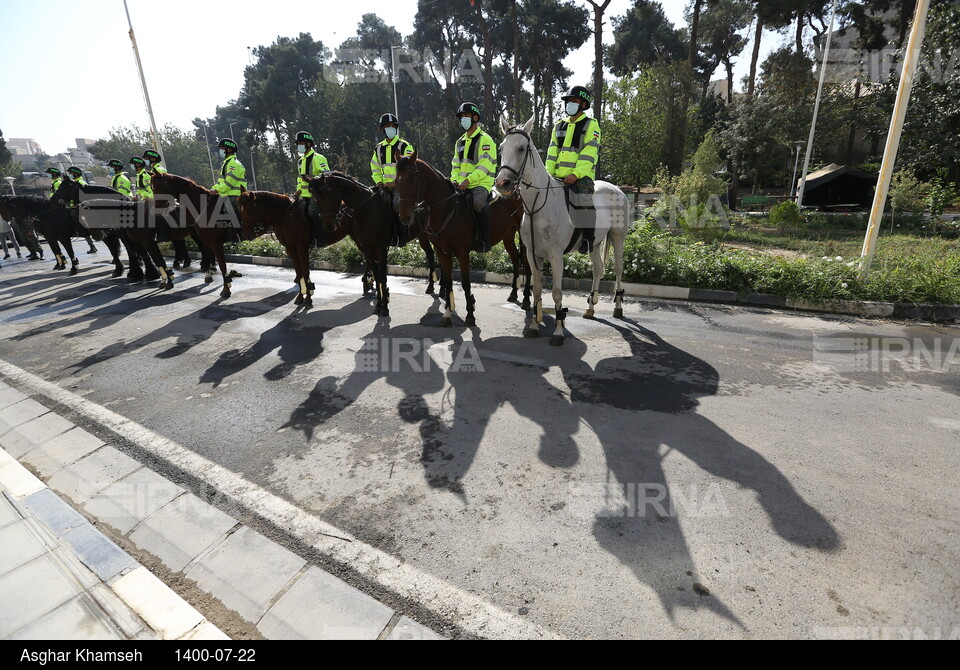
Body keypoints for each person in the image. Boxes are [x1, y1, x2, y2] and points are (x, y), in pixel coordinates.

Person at [546, 85, 601, 254]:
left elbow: (589, 153)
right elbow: (552, 151)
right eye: (568, 100)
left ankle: (588, 239)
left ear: (583, 104)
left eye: (574, 101)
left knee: (585, 199)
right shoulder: (559, 126)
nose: (570, 103)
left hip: (580, 177)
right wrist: (548, 173)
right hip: (557, 176)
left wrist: (575, 174)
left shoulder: (591, 125)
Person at [451, 102, 496, 253]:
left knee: (477, 203)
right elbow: (455, 165)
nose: (463, 119)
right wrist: (455, 180)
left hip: (481, 183)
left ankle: (484, 240)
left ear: (475, 118)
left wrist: (468, 181)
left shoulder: (485, 140)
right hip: (462, 184)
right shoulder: (460, 142)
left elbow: (484, 166)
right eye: (461, 117)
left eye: (466, 116)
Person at [371, 113, 415, 245]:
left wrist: (395, 183)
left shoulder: (404, 146)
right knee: (373, 205)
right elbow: (375, 167)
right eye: (387, 126)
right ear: (382, 129)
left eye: (392, 126)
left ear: (396, 128)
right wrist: (378, 182)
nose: (390, 128)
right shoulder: (378, 148)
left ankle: (401, 237)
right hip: (383, 186)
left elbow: (409, 169)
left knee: (397, 204)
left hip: (400, 187)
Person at [293, 131, 330, 246]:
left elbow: (326, 176)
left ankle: (321, 239)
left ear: (309, 144)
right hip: (303, 194)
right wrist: (298, 190)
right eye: (298, 143)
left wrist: (312, 179)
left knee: (312, 212)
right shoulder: (300, 161)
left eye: (301, 142)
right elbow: (300, 178)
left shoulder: (318, 158)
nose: (299, 145)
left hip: (316, 194)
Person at [212, 138, 246, 236]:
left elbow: (229, 184)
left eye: (222, 148)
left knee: (227, 211)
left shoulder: (233, 164)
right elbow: (221, 182)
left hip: (235, 195)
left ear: (229, 150)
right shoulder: (226, 163)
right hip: (226, 194)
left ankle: (237, 237)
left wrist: (216, 190)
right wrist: (213, 189)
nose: (220, 150)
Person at [66, 166, 98, 253]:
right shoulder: (75, 182)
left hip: (81, 208)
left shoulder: (79, 182)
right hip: (76, 207)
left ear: (76, 173)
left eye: (71, 173)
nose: (69, 175)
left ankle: (92, 245)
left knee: (82, 225)